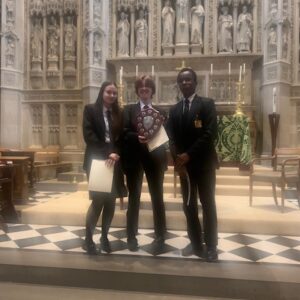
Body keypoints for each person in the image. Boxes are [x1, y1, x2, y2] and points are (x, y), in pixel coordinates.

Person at [166, 68, 219, 262]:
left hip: (203, 164)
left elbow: (210, 134)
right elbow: (170, 136)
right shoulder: (174, 109)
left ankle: (211, 245)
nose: (185, 83)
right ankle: (195, 242)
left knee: (208, 205)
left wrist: (189, 154)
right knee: (188, 205)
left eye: (189, 80)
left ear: (195, 83)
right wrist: (178, 158)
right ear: (178, 84)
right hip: (185, 168)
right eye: (182, 80)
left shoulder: (206, 104)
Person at [121, 75, 167, 253]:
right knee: (134, 199)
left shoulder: (160, 111)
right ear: (137, 92)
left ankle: (160, 235)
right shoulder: (129, 110)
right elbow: (123, 133)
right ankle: (131, 236)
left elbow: (166, 135)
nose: (144, 92)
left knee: (158, 199)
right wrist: (136, 137)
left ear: (152, 91)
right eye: (141, 89)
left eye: (147, 89)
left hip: (155, 160)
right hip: (135, 159)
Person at [82, 81, 127, 255]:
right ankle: (88, 239)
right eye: (109, 92)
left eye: (115, 93)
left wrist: (116, 153)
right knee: (98, 201)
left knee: (110, 202)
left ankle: (104, 237)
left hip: (114, 162)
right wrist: (108, 152)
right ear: (102, 92)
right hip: (97, 161)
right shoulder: (90, 110)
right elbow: (89, 136)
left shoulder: (118, 113)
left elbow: (121, 138)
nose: (112, 95)